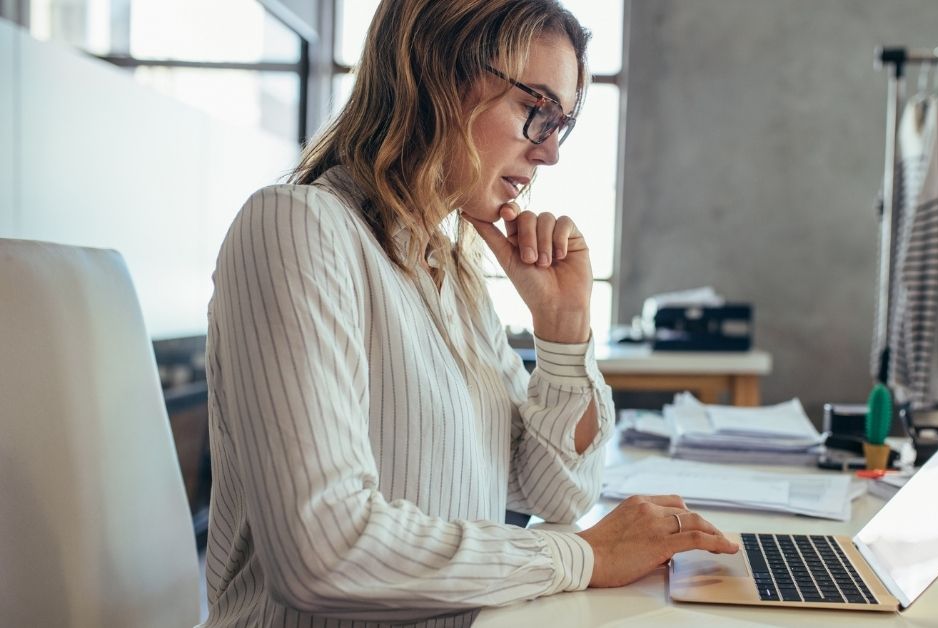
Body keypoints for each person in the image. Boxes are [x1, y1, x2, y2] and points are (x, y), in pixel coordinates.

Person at [201, 1, 738, 626]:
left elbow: (558, 492)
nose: (550, 154)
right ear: (436, 73)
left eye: (561, 125)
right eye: (537, 111)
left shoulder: (451, 272)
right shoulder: (297, 227)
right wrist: (582, 557)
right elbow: (324, 551)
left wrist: (564, 332)